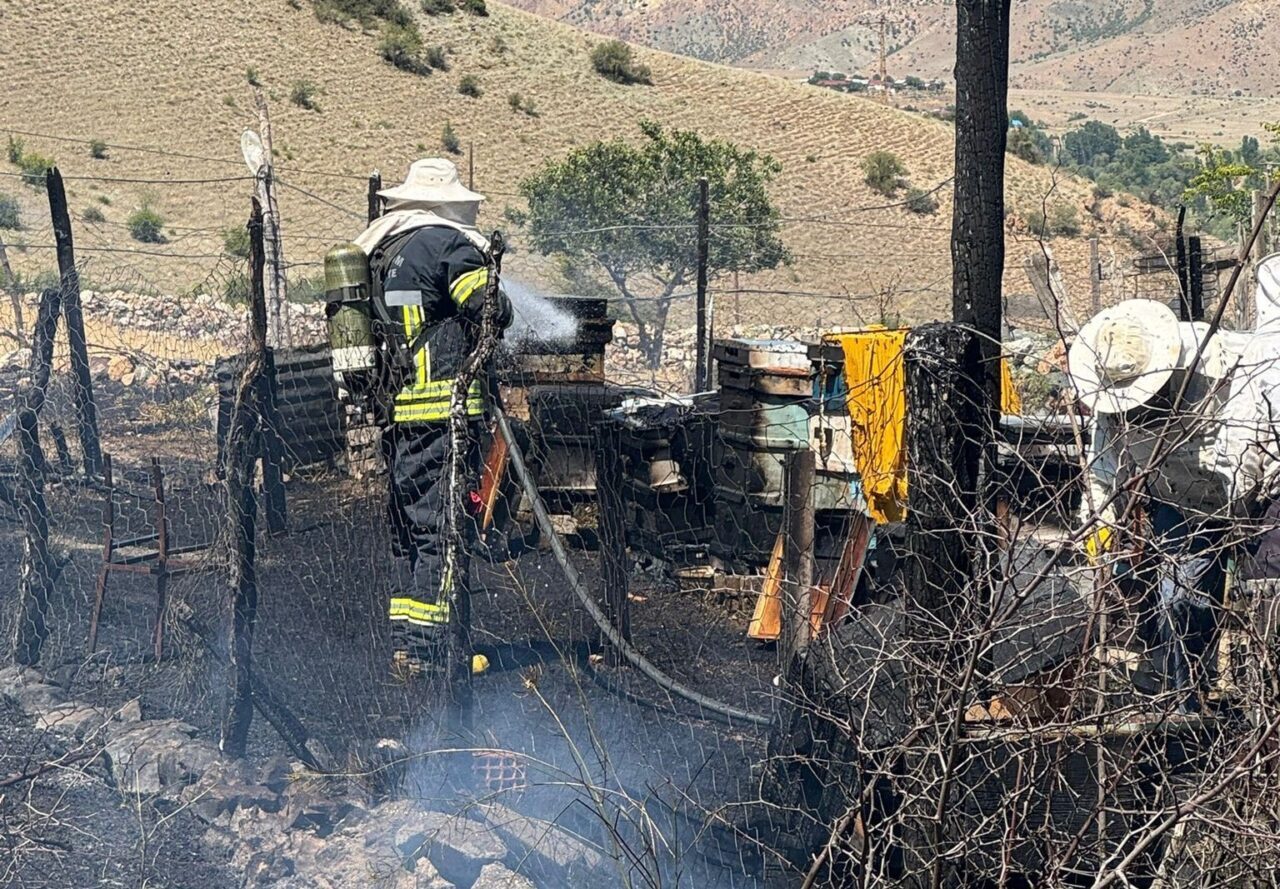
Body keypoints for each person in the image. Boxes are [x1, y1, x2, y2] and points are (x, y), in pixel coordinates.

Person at [352, 158, 512, 676]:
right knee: (444, 532)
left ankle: (407, 641)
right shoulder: (447, 246)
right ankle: (428, 652)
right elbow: (491, 310)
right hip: (444, 412)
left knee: (408, 532)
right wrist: (492, 276)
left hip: (396, 413)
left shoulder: (382, 250)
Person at [1071, 299, 1236, 713]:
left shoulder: (1219, 358)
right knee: (1179, 601)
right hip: (1180, 502)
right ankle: (1188, 705)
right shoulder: (1112, 396)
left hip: (1253, 493)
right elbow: (1103, 468)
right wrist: (1100, 526)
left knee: (1265, 597)